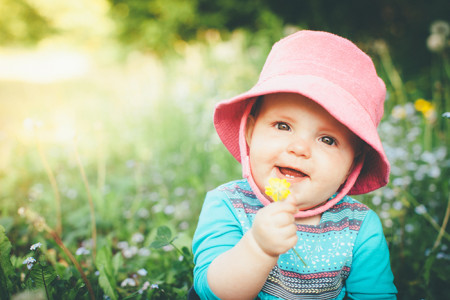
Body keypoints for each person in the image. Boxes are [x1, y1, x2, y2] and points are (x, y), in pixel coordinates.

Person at [191, 30, 397, 299]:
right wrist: (258, 248)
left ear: (352, 164)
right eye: (283, 125)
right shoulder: (228, 205)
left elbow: (375, 295)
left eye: (327, 139)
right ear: (251, 132)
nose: (299, 148)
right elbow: (211, 292)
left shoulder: (358, 228)